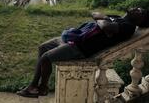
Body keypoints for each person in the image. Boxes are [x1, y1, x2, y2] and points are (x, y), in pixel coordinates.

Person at [17, 7, 149, 98]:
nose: (136, 8)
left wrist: (103, 21)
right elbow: (96, 15)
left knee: (46, 58)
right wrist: (103, 21)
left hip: (81, 48)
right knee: (42, 47)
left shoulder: (128, 27)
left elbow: (104, 24)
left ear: (140, 20)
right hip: (76, 38)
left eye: (140, 11)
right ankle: (39, 87)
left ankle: (36, 86)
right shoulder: (118, 18)